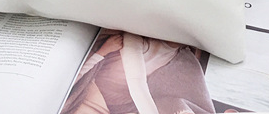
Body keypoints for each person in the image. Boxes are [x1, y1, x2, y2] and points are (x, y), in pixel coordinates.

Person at [61, 30, 216, 114]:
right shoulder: (137, 40)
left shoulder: (183, 59)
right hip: (120, 97)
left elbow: (70, 82)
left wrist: (101, 52)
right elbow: (137, 84)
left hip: (111, 94)